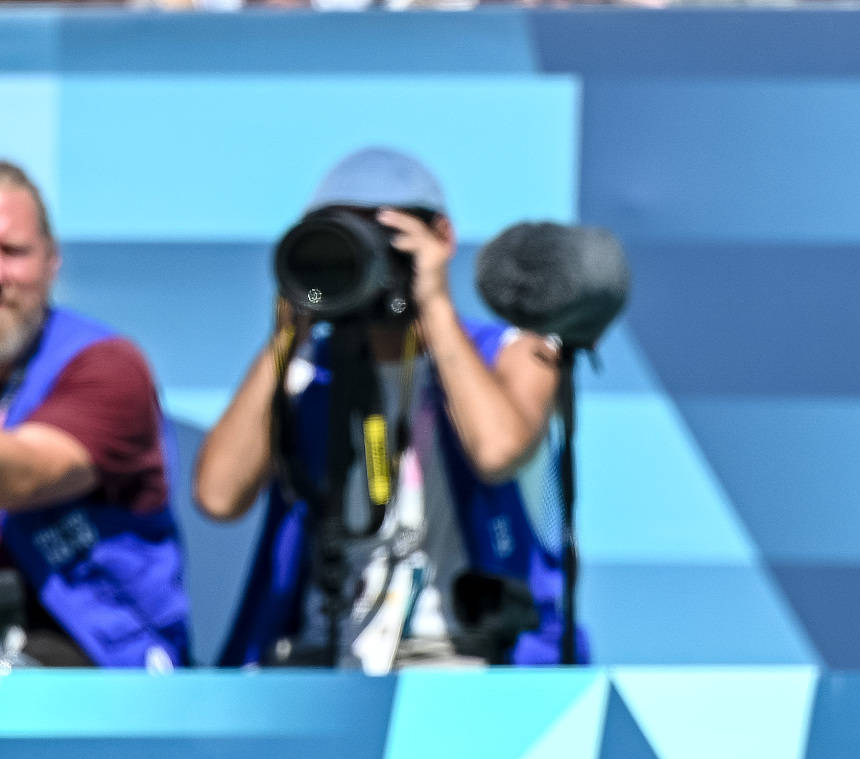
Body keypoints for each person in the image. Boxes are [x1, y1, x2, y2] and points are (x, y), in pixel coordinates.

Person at [193, 147, 580, 669]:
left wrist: (434, 305)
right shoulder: (308, 370)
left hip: (460, 654)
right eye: (341, 243)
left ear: (440, 238)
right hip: (321, 649)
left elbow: (496, 451)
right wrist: (288, 333)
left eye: (384, 240)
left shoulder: (514, 354)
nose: (365, 263)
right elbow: (218, 496)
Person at [0, 160, 190, 668]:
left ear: (51, 261)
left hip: (101, 658)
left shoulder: (105, 364)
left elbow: (24, 477)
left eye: (11, 252)